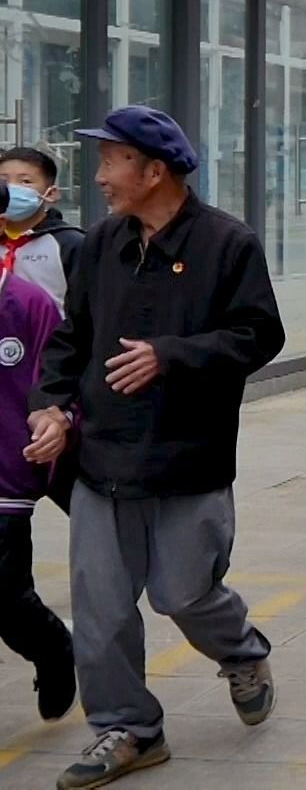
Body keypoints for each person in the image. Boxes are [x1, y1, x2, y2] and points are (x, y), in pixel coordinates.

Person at [28, 106, 286, 790]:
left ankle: (243, 652)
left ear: (154, 169)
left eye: (111, 161)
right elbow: (67, 341)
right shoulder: (102, 244)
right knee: (101, 608)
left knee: (185, 593)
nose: (101, 177)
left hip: (187, 460)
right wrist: (52, 407)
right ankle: (130, 729)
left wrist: (170, 356)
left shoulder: (229, 245)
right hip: (101, 461)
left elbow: (259, 336)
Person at [0, 230, 76, 726]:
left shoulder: (28, 305)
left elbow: (63, 382)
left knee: (6, 598)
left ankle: (52, 647)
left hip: (5, 479)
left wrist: (60, 421)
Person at [0, 147, 84, 315]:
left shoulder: (71, 244)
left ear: (51, 193)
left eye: (25, 182)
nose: (11, 189)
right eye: (3, 182)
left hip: (52, 338)